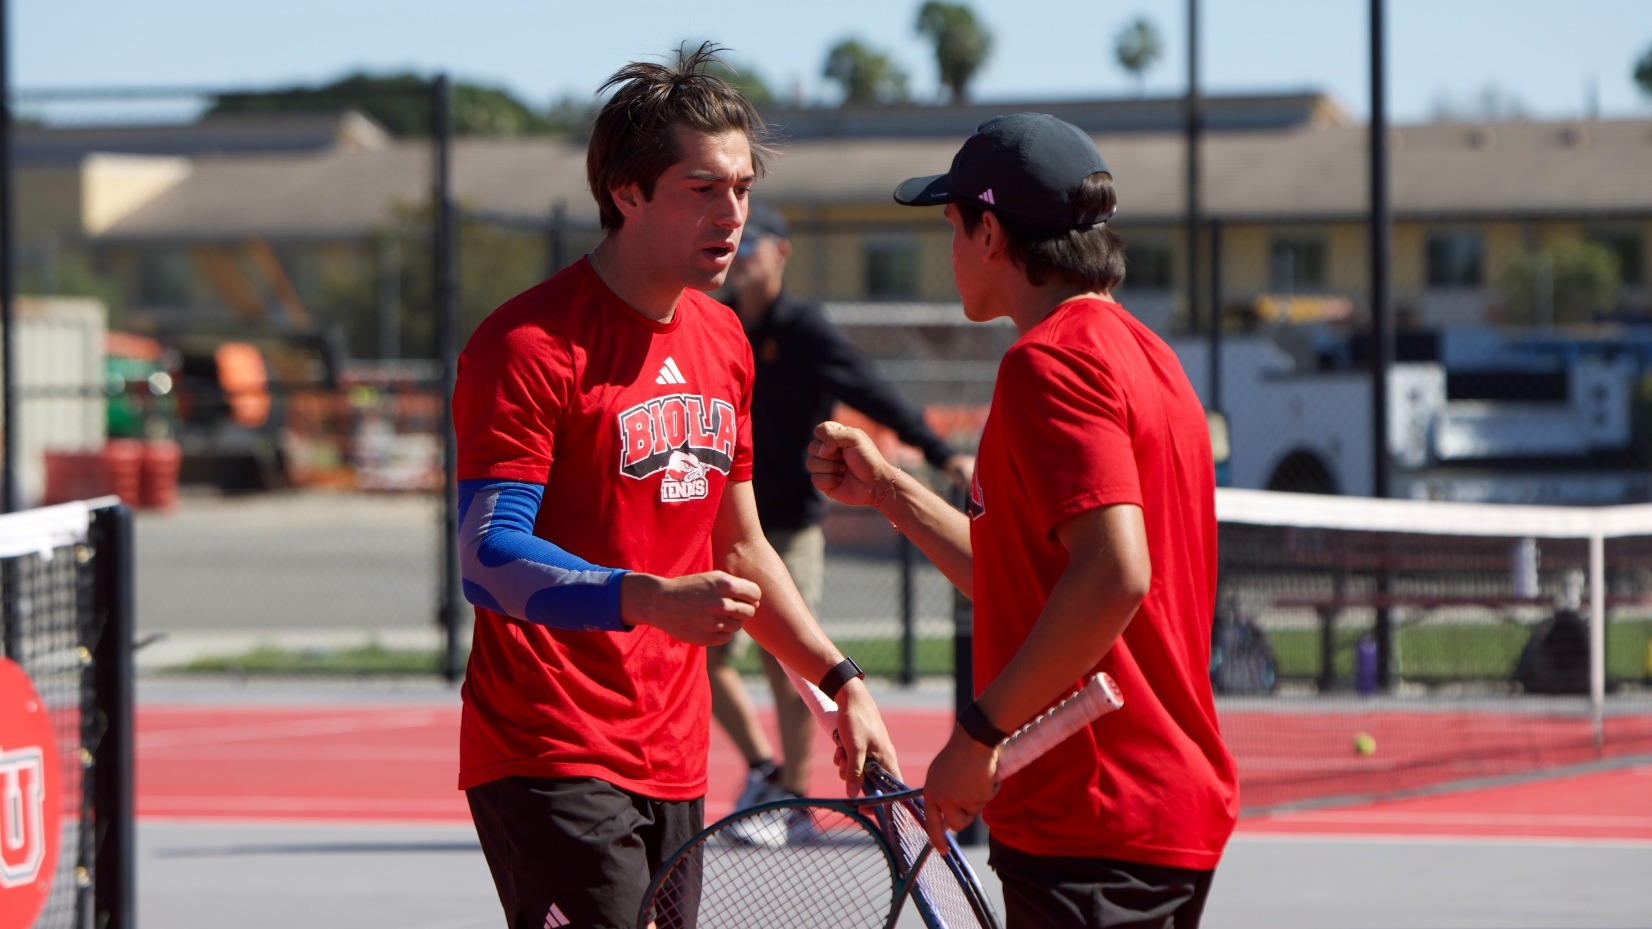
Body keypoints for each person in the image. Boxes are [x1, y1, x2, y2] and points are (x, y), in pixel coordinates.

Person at [450, 44, 900, 929]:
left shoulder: (723, 340)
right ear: (627, 193)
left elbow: (740, 549)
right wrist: (645, 598)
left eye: (740, 188)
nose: (732, 213)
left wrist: (840, 679)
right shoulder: (528, 346)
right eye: (703, 188)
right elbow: (487, 554)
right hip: (549, 746)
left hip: (673, 752)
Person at [807, 112, 1238, 928]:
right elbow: (1029, 580)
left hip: (1095, 809)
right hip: (1147, 810)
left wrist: (977, 733)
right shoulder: (1147, 354)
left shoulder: (1049, 363)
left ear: (992, 232)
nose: (951, 251)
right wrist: (891, 491)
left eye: (952, 227)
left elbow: (1114, 575)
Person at [711, 201, 974, 823]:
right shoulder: (717, 326)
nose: (740, 255)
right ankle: (765, 770)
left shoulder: (805, 329)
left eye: (753, 244)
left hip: (791, 524)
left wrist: (940, 452)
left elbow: (871, 389)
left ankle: (794, 801)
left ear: (781, 253)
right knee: (706, 660)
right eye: (735, 245)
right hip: (725, 520)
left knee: (790, 659)